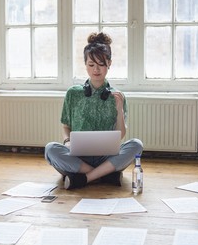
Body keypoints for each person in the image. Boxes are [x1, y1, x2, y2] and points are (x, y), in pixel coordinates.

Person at [45, 32, 143, 190]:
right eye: (91, 65)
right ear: (85, 64)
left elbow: (121, 134)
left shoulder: (118, 96)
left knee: (136, 145)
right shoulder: (73, 93)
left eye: (101, 64)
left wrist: (118, 108)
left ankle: (83, 179)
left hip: (106, 158)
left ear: (109, 63)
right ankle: (104, 175)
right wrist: (67, 141)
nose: (96, 69)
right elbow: (66, 126)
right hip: (77, 157)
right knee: (50, 149)